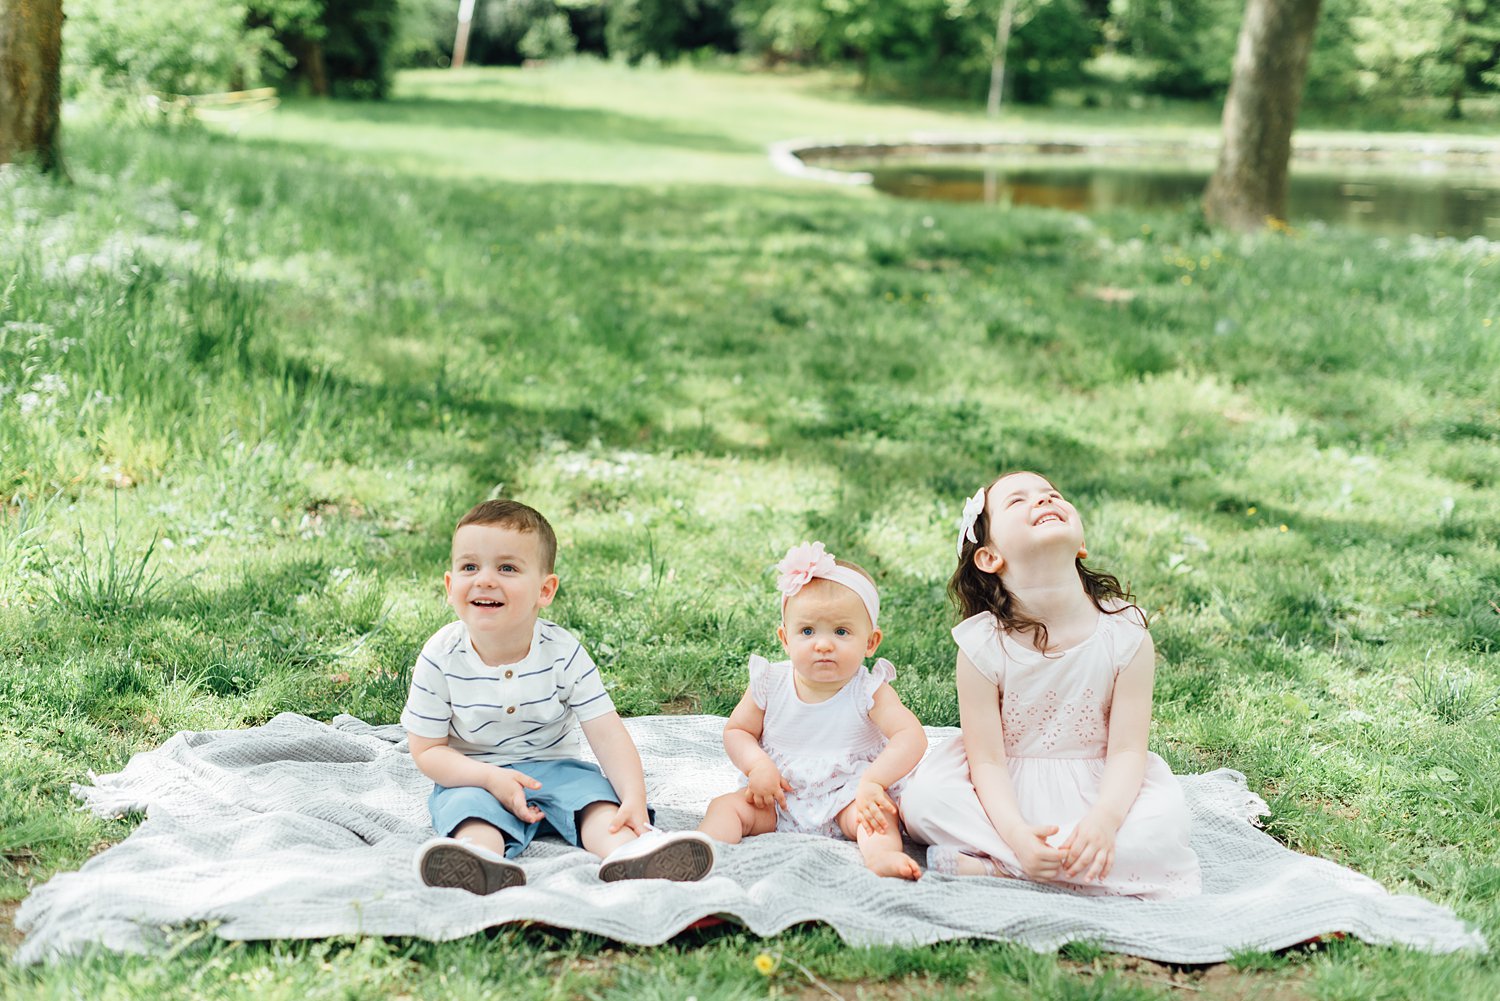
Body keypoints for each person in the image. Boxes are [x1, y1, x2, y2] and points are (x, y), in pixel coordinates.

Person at [899, 472, 1201, 898]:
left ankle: (1001, 870)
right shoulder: (982, 644)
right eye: (1018, 501)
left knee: (1165, 822)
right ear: (989, 558)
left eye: (1052, 494)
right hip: (1005, 784)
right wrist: (1018, 833)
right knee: (925, 802)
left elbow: (1128, 750)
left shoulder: (1125, 631)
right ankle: (1040, 860)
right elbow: (985, 759)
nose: (1043, 500)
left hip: (1101, 783)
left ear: (1079, 544)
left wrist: (1104, 822)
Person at [402, 499, 715, 894]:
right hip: (473, 772)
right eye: (469, 567)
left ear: (544, 590)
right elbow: (427, 751)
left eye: (507, 568)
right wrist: (489, 779)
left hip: (553, 767)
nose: (484, 580)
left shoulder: (562, 652)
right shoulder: (441, 655)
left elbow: (607, 733)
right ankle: (477, 861)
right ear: (450, 587)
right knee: (470, 814)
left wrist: (633, 797)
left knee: (596, 803)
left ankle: (630, 853)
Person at [698, 542, 927, 880]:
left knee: (875, 818)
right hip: (779, 795)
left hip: (847, 794)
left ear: (870, 642)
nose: (823, 644)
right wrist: (757, 764)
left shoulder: (868, 690)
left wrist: (873, 782)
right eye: (807, 631)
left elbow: (911, 736)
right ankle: (703, 850)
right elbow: (738, 730)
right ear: (785, 639)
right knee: (726, 807)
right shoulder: (770, 682)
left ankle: (882, 857)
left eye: (841, 631)